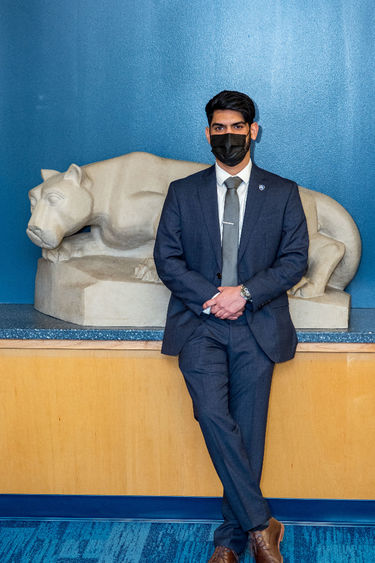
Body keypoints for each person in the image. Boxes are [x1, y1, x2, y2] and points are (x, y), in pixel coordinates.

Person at [154, 90, 309, 563]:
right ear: (207, 134)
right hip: (199, 324)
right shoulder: (184, 191)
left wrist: (242, 294)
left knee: (248, 430)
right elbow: (167, 258)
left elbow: (295, 260)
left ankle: (229, 540)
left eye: (235, 128)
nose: (227, 137)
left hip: (257, 324)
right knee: (212, 417)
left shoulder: (282, 192)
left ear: (252, 131)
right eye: (218, 129)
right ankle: (263, 525)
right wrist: (213, 298)